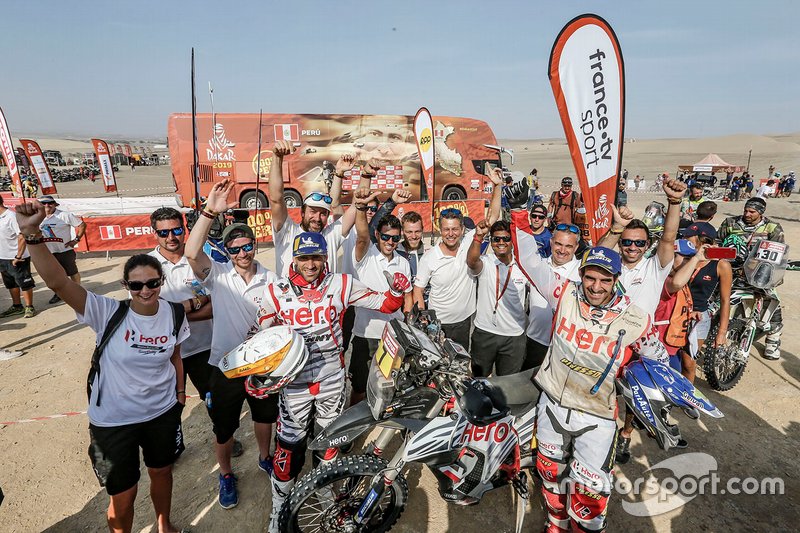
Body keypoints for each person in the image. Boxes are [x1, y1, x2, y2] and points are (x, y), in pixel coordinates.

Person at [15, 200, 189, 533]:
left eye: (152, 283)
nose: (145, 290)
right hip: (113, 421)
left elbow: (175, 355)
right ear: (126, 287)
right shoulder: (107, 312)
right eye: (136, 285)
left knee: (162, 473)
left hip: (162, 413)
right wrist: (32, 235)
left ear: (161, 282)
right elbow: (59, 284)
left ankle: (164, 525)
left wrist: (180, 394)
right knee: (124, 495)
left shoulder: (174, 313)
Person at [505, 182, 669, 533]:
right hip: (552, 403)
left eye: (604, 280)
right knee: (550, 474)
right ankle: (556, 523)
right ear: (581, 275)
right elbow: (529, 260)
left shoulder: (636, 318)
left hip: (597, 417)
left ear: (615, 280)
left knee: (590, 491)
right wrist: (519, 214)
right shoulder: (563, 294)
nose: (596, 287)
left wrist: (650, 393)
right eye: (590, 278)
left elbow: (659, 366)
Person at [254, 231, 409, 532]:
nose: (310, 264)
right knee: (288, 448)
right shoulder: (276, 290)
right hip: (294, 383)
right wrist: (262, 371)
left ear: (325, 258)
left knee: (330, 441)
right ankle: (278, 508)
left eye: (316, 257)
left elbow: (386, 306)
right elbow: (263, 336)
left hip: (331, 379)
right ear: (294, 259)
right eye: (303, 258)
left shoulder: (341, 284)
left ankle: (324, 490)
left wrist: (397, 292)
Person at [184, 180, 279, 509]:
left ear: (255, 244)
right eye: (235, 249)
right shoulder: (218, 275)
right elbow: (191, 252)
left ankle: (265, 457)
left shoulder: (271, 278)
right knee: (224, 428)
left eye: (247, 246)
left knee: (265, 417)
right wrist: (209, 211)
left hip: (262, 365)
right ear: (226, 251)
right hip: (224, 366)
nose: (242, 253)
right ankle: (225, 474)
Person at [598, 177, 686, 461]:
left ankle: (626, 434)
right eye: (626, 242)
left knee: (638, 400)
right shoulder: (611, 264)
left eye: (639, 242)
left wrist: (674, 203)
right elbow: (597, 253)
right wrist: (615, 229)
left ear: (647, 244)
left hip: (642, 343)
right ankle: (607, 441)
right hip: (609, 340)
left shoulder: (654, 267)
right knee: (605, 397)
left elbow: (669, 238)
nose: (632, 247)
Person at [413, 167, 503, 349]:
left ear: (463, 230)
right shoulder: (430, 258)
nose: (451, 234)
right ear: (439, 229)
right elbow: (418, 291)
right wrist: (423, 320)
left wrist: (497, 185)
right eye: (446, 229)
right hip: (438, 324)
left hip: (464, 322)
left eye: (455, 229)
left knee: (460, 368)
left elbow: (491, 217)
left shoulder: (470, 243)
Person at [350, 190, 413, 404]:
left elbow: (408, 296)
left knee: (388, 386)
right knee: (359, 387)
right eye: (386, 236)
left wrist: (409, 320)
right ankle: (355, 433)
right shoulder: (366, 254)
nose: (390, 242)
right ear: (377, 234)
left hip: (393, 336)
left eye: (395, 238)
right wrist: (360, 208)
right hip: (365, 334)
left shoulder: (403, 262)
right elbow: (361, 235)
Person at [269, 140, 354, 277]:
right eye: (313, 211)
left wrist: (339, 173)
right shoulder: (288, 231)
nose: (317, 218)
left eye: (323, 214)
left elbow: (355, 205)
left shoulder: (330, 236)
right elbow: (276, 199)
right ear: (302, 212)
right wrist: (277, 158)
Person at [717, 197, 784, 359]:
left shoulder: (772, 228)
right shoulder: (730, 223)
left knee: (770, 300)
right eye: (746, 210)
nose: (747, 214)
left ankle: (773, 339)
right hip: (731, 271)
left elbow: (778, 253)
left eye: (752, 211)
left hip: (759, 274)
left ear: (761, 212)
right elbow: (718, 242)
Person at [466, 219, 528, 377]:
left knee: (507, 384)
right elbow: (472, 262)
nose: (501, 242)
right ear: (491, 241)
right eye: (496, 239)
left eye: (506, 239)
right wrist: (478, 237)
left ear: (512, 241)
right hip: (485, 333)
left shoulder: (523, 267)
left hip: (513, 336)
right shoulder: (486, 262)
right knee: (478, 381)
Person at [681, 223, 732, 379]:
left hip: (699, 318)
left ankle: (687, 399)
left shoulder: (721, 265)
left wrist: (721, 333)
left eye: (688, 237)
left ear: (701, 240)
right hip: (676, 312)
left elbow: (725, 300)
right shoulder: (682, 256)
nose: (684, 239)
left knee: (689, 362)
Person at [38, 195, 85, 304]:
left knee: (72, 272)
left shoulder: (64, 215)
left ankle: (78, 291)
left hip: (64, 250)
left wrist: (76, 240)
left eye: (50, 203)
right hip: (48, 253)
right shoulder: (38, 217)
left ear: (55, 204)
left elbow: (82, 225)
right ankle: (59, 294)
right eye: (44, 203)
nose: (47, 205)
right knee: (54, 276)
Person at [0, 195, 35, 318]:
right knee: (10, 283)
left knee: (24, 282)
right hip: (3, 257)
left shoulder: (11, 216)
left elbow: (22, 236)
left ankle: (29, 307)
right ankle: (17, 306)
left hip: (17, 257)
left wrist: (18, 255)